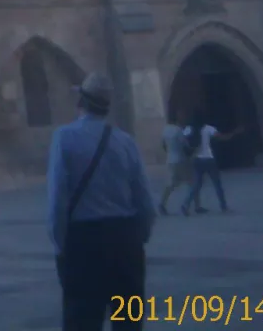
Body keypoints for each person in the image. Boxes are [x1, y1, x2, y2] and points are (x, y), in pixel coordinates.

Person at [46, 72, 157, 331]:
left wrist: (60, 244)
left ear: (81, 102)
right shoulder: (125, 141)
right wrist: (136, 238)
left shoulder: (65, 137)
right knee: (128, 321)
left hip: (84, 240)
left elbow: (58, 199)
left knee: (82, 320)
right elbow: (144, 200)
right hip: (124, 238)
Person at [181, 116, 241, 215]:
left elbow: (183, 141)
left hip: (197, 159)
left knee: (196, 185)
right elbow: (222, 137)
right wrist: (234, 133)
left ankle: (185, 204)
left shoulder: (189, 129)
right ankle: (223, 206)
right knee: (217, 184)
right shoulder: (208, 128)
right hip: (209, 159)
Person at [158, 114, 200, 215]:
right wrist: (195, 149)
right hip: (181, 160)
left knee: (171, 184)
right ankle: (191, 206)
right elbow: (185, 146)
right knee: (193, 182)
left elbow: (163, 145)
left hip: (170, 160)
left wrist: (169, 152)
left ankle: (162, 204)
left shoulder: (165, 129)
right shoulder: (178, 130)